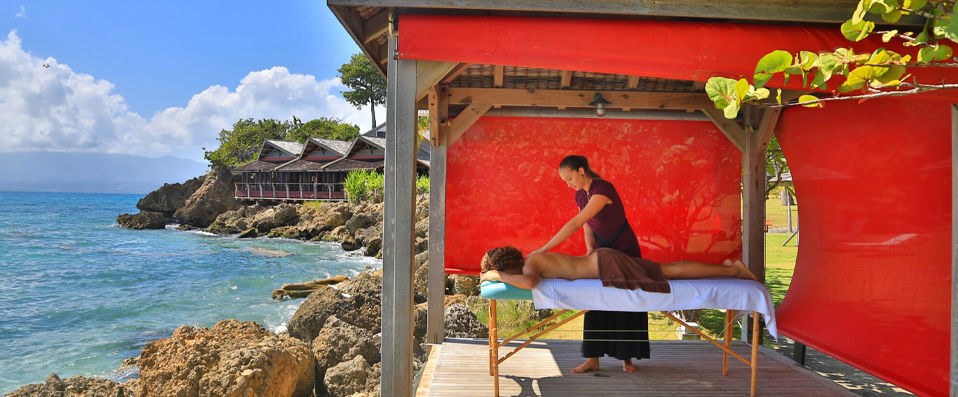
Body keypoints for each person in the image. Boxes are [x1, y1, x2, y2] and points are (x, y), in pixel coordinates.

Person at [528, 155, 649, 374]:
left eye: (569, 178)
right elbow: (586, 226)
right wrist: (590, 249)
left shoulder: (603, 189)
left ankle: (626, 358)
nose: (568, 183)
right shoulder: (580, 195)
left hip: (625, 252)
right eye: (565, 180)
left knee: (626, 304)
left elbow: (575, 223)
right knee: (595, 301)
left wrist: (544, 248)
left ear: (581, 171)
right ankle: (593, 358)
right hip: (601, 253)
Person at [479, 246, 756, 290]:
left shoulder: (533, 264)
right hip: (604, 262)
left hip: (606, 263)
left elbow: (529, 284)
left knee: (668, 271)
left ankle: (731, 270)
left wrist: (495, 276)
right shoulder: (534, 261)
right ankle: (729, 268)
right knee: (667, 270)